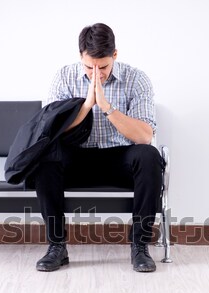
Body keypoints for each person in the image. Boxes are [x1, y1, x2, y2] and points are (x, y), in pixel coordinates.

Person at [35, 23, 163, 273]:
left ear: (115, 55)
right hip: (77, 157)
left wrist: (106, 106)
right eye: (89, 66)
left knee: (149, 156)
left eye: (103, 67)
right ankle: (57, 247)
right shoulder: (64, 77)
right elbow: (50, 132)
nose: (97, 73)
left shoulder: (137, 79)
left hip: (120, 158)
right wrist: (86, 106)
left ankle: (140, 246)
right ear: (80, 56)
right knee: (46, 158)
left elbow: (145, 136)